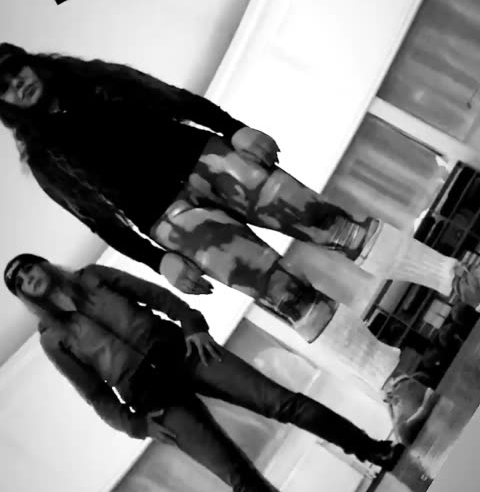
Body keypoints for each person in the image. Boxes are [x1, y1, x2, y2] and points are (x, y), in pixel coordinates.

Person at [1, 42, 478, 359]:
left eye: (13, 71)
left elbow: (167, 97)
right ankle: (394, 379)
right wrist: (159, 260)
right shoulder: (44, 159)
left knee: (330, 224)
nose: (17, 84)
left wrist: (233, 128)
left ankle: (453, 278)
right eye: (2, 89)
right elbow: (100, 220)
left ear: (28, 61)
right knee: (283, 294)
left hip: (207, 159)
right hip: (171, 220)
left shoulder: (89, 77)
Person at [4, 253, 404, 492]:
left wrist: (192, 325)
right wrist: (137, 425)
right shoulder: (53, 340)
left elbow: (157, 296)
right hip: (155, 401)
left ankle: (374, 450)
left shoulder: (93, 277)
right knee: (239, 479)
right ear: (23, 295)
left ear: (43, 265)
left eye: (28, 268)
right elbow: (95, 396)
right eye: (19, 282)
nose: (28, 278)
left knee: (283, 404)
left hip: (186, 354)